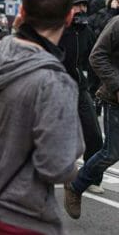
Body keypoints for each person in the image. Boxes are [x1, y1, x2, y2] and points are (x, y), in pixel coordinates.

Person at [0, 0, 83, 234]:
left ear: (21, 10)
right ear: (69, 17)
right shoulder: (56, 82)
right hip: (29, 217)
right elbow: (55, 166)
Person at [64, 13, 119, 219]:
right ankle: (76, 186)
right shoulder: (117, 24)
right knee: (111, 152)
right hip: (115, 99)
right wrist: (116, 86)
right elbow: (97, 56)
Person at [58, 0, 103, 193]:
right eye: (77, 6)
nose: (82, 10)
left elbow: (95, 59)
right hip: (57, 88)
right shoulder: (57, 29)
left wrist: (97, 87)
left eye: (84, 6)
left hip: (80, 87)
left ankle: (92, 179)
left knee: (93, 133)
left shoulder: (86, 32)